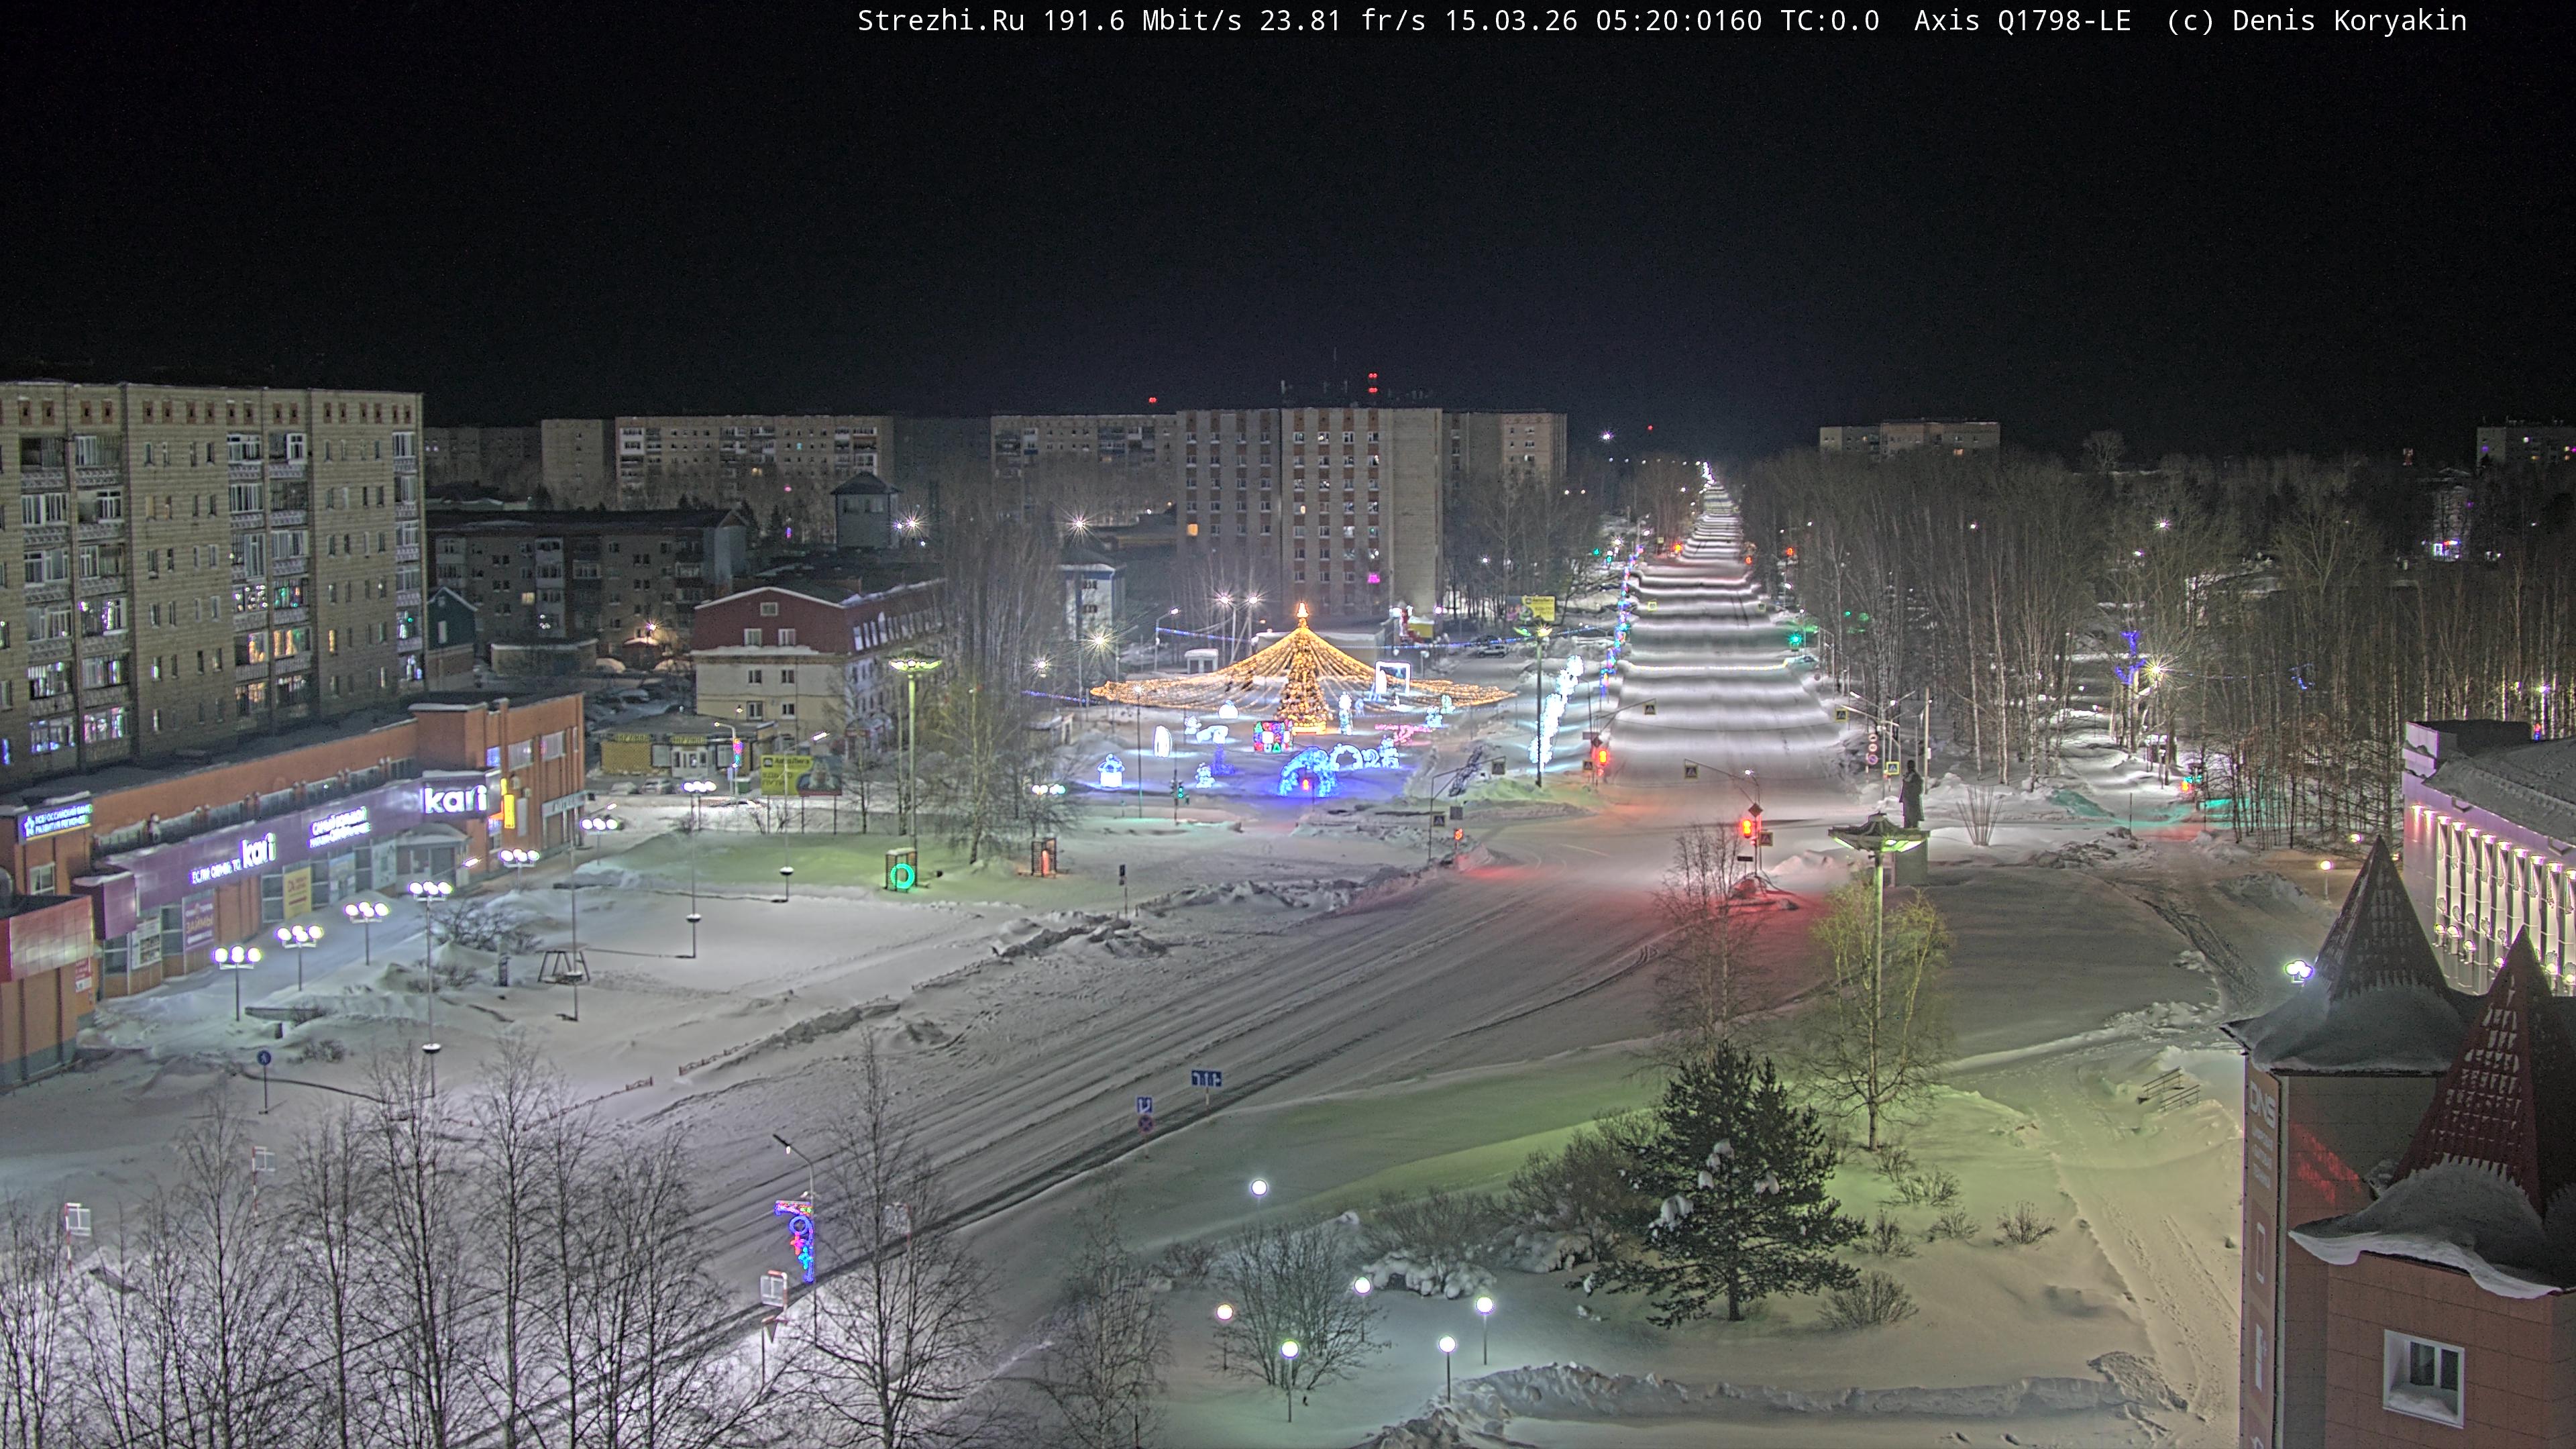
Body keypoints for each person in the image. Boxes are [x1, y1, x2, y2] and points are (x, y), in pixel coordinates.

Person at [1900, 761, 1924, 830]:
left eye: (1910, 766)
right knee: (1907, 817)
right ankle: (1907, 830)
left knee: (1913, 817)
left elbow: (1919, 790)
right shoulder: (1907, 776)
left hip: (1913, 801)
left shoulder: (1916, 777)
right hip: (1907, 800)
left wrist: (1911, 796)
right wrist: (1902, 797)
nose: (1909, 768)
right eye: (1909, 766)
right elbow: (1904, 788)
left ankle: (1914, 830)